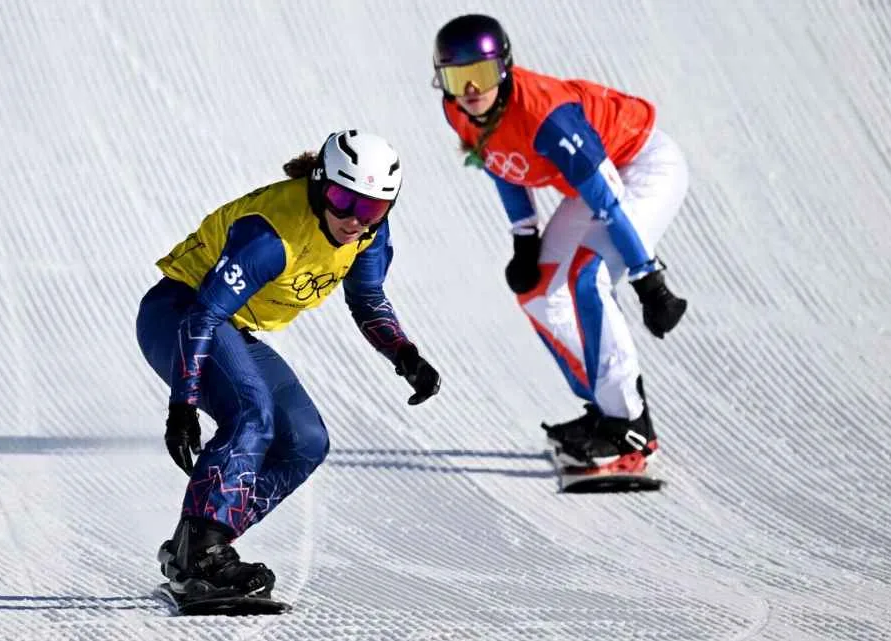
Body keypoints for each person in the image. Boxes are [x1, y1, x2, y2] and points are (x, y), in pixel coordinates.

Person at [135, 130, 442, 602]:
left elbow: (367, 298)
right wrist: (182, 407)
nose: (352, 220)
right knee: (252, 412)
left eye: (371, 209)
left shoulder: (368, 235)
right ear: (320, 185)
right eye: (342, 200)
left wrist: (405, 354)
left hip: (230, 326)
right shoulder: (271, 235)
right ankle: (203, 550)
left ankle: (197, 543)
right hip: (180, 312)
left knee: (305, 440)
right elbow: (203, 315)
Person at [432, 14, 689, 485]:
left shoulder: (547, 118)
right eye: (456, 77)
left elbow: (609, 201)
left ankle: (629, 429)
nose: (471, 89)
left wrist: (647, 277)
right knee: (538, 291)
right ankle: (611, 407)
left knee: (587, 277)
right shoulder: (458, 110)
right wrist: (524, 238)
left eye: (482, 74)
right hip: (594, 181)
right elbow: (498, 161)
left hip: (641, 165)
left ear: (505, 69)